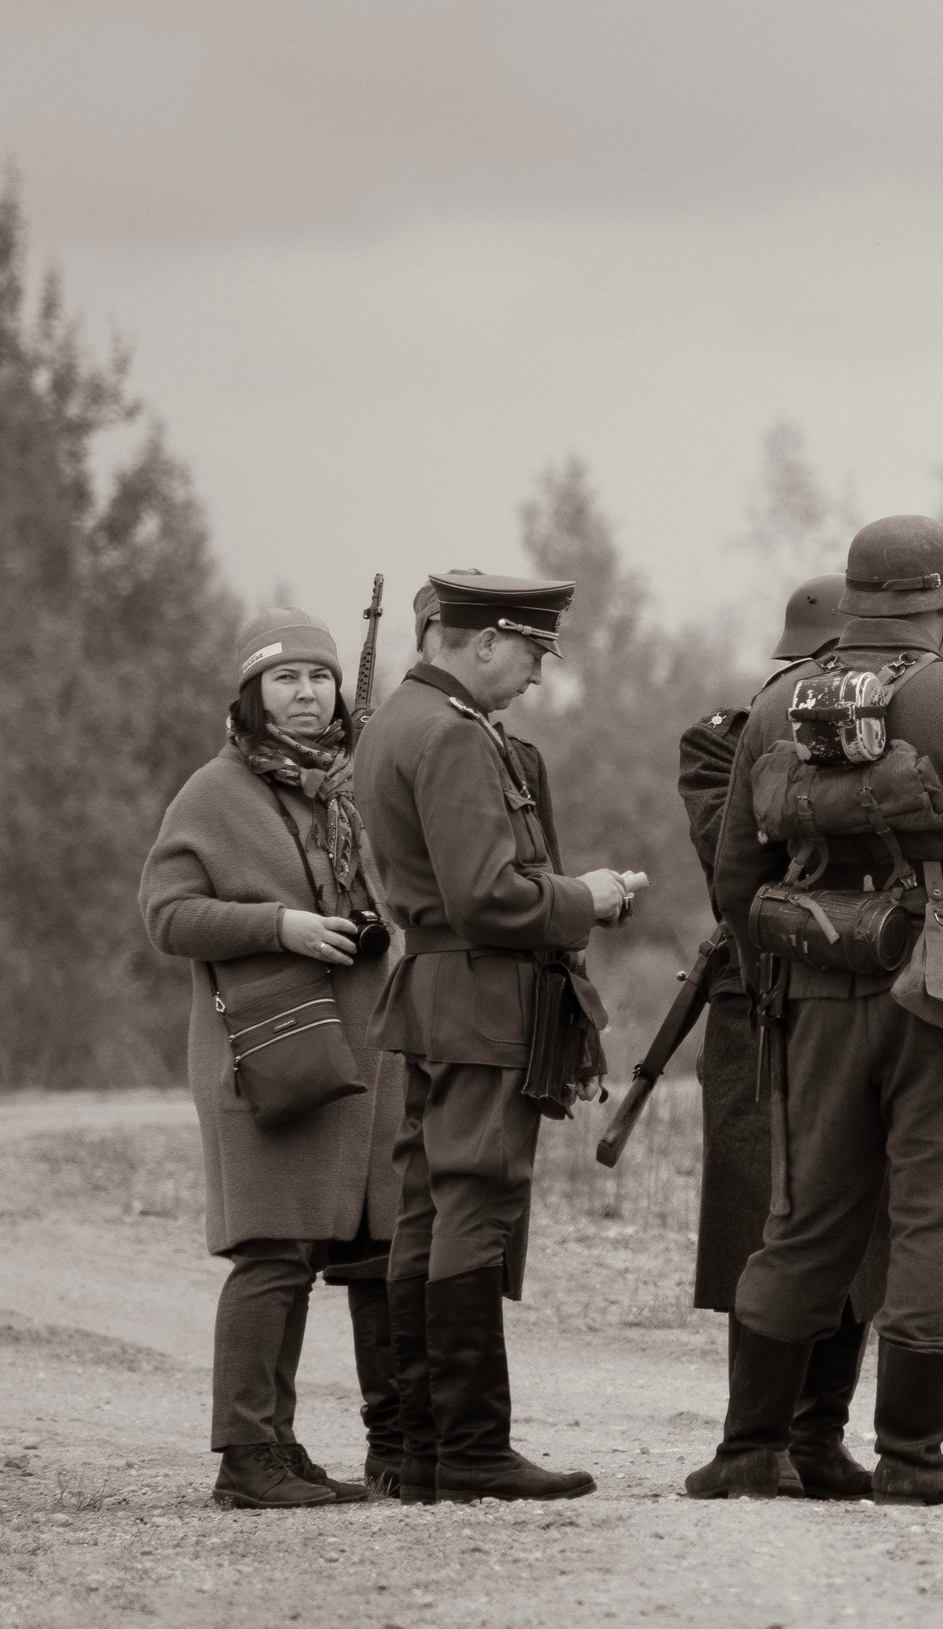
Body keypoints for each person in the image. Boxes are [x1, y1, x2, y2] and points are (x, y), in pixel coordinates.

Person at [686, 516, 943, 1506]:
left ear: (857, 598)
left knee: (805, 1218)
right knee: (933, 1219)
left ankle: (746, 1448)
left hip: (816, 987)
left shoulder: (776, 700)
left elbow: (737, 872)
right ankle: (911, 1453)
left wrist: (790, 960)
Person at [354, 572, 644, 1504]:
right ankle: (473, 1445)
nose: (532, 677)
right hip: (478, 993)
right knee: (473, 1200)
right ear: (484, 642)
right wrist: (587, 898)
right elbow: (489, 894)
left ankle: (417, 1442)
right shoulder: (451, 735)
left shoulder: (398, 721)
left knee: (427, 1208)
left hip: (435, 990)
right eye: (529, 654)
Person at [140, 608, 406, 1510]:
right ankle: (243, 1459)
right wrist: (277, 925)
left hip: (353, 1058)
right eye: (285, 679)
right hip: (261, 1053)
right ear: (251, 695)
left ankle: (279, 1448)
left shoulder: (345, 788)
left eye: (320, 677)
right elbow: (166, 913)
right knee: (270, 1254)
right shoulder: (214, 791)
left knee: (303, 1252)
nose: (306, 694)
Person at [674, 573, 884, 1500]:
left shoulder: (900, 732)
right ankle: (751, 1439)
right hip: (762, 992)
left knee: (859, 1219)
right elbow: (737, 848)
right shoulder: (725, 739)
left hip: (868, 988)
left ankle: (820, 1433)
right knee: (769, 1216)